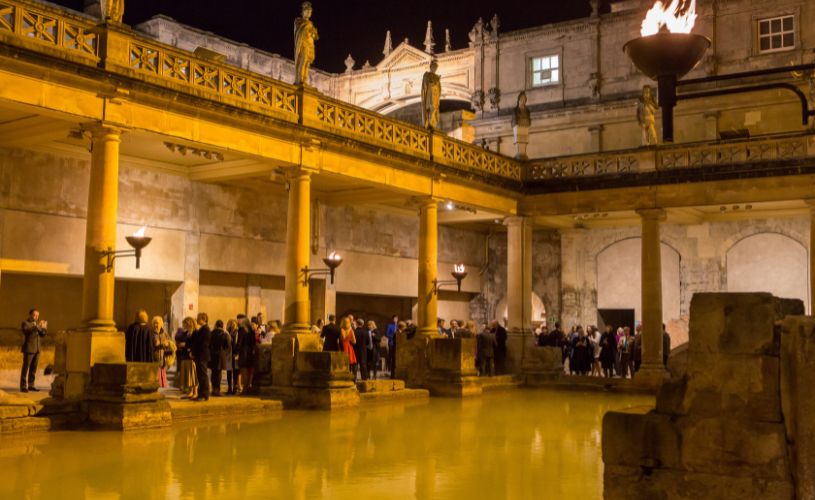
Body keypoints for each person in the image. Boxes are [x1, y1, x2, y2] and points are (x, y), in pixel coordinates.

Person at [20, 309, 47, 392]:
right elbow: (27, 331)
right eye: (35, 315)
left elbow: (43, 334)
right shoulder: (26, 323)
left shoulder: (37, 325)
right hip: (29, 349)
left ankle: (31, 385)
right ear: (30, 315)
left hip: (37, 349)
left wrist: (44, 328)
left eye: (38, 315)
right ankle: (23, 386)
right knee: (26, 368)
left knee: (33, 369)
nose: (36, 317)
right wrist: (36, 326)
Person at [293, 1, 319, 86]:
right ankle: (300, 80)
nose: (309, 13)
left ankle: (304, 79)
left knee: (307, 62)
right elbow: (299, 31)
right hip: (303, 44)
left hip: (310, 45)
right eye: (307, 11)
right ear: (303, 12)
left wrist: (314, 33)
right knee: (302, 61)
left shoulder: (311, 23)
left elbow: (316, 37)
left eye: (310, 12)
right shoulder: (298, 21)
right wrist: (308, 31)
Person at [190, 312, 212, 401]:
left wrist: (196, 352)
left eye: (198, 318)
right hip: (199, 355)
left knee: (203, 375)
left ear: (203, 319)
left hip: (202, 355)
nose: (197, 319)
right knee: (199, 375)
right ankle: (200, 394)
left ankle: (204, 394)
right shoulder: (201, 329)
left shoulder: (206, 329)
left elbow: (203, 344)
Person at [175, 317, 198, 399]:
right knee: (188, 376)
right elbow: (179, 338)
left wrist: (186, 345)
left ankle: (195, 392)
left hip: (191, 357)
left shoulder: (195, 332)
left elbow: (195, 344)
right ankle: (190, 391)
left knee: (193, 376)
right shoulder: (187, 333)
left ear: (189, 323)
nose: (183, 325)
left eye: (185, 323)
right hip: (185, 355)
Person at [152, 316, 173, 388]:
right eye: (154, 323)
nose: (155, 325)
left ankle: (163, 386)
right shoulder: (151, 334)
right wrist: (157, 344)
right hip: (154, 356)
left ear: (161, 324)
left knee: (163, 371)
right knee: (155, 373)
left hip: (164, 357)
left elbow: (170, 344)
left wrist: (166, 343)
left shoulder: (165, 334)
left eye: (157, 323)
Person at [237, 317, 257, 394]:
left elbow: (240, 342)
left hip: (243, 353)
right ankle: (248, 387)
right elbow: (254, 343)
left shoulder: (242, 330)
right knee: (249, 372)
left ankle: (245, 389)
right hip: (250, 354)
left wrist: (236, 350)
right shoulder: (251, 331)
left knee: (243, 371)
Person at [209, 320, 228, 396]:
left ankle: (213, 389)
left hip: (213, 355)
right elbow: (226, 345)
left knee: (213, 373)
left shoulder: (212, 333)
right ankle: (217, 390)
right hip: (220, 355)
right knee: (218, 373)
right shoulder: (224, 334)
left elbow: (209, 344)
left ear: (216, 325)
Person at [421, 59, 441, 129]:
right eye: (434, 67)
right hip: (429, 95)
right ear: (431, 67)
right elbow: (425, 86)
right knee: (429, 108)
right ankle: (429, 123)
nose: (435, 68)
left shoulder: (437, 77)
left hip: (435, 96)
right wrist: (432, 84)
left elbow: (439, 89)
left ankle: (432, 123)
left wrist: (436, 84)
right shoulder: (426, 75)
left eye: (436, 67)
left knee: (434, 109)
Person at [226, 319, 239, 394]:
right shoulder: (228, 332)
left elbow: (236, 343)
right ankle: (229, 388)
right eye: (231, 324)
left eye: (233, 324)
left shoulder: (237, 332)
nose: (232, 325)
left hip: (234, 354)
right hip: (229, 354)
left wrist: (236, 352)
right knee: (229, 372)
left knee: (235, 372)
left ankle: (235, 388)